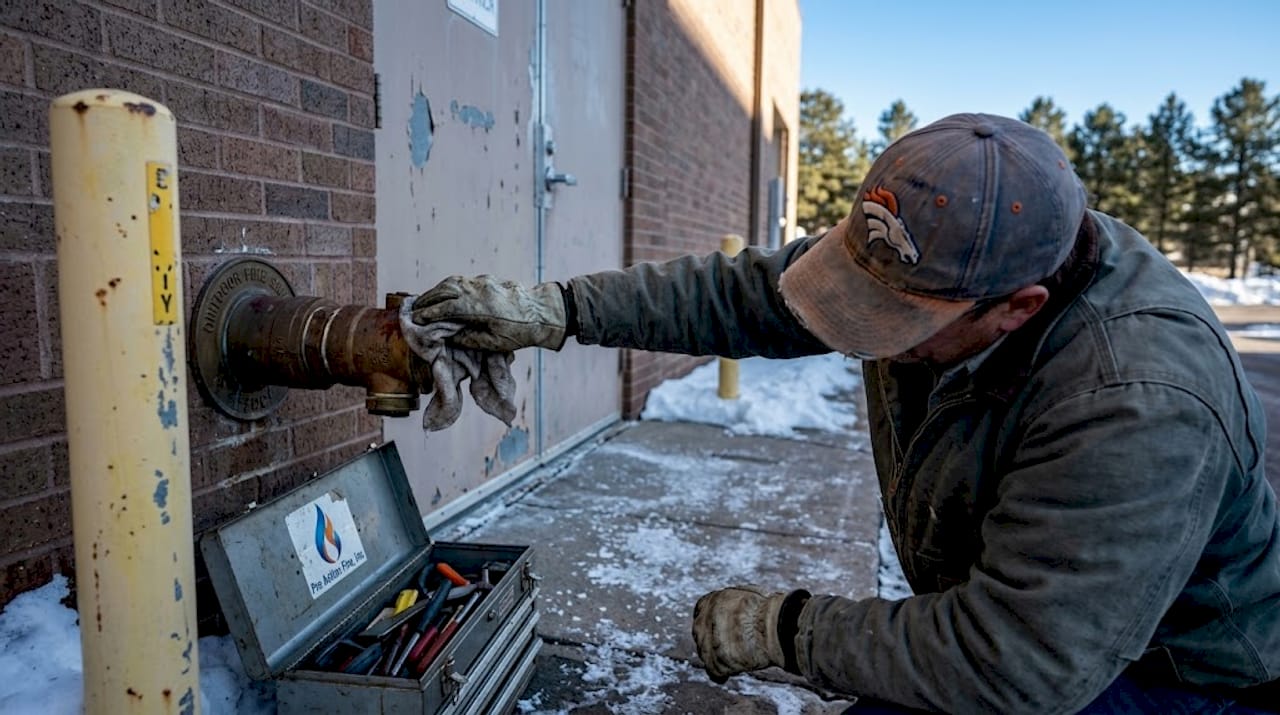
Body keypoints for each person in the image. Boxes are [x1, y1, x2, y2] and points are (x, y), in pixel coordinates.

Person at [409, 113, 1280, 714]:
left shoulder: (1136, 401)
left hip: (1175, 670)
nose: (869, 340)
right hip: (1046, 628)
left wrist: (788, 628)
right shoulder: (952, 247)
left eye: (898, 327)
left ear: (1018, 306)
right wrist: (558, 311)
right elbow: (745, 295)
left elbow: (1015, 658)